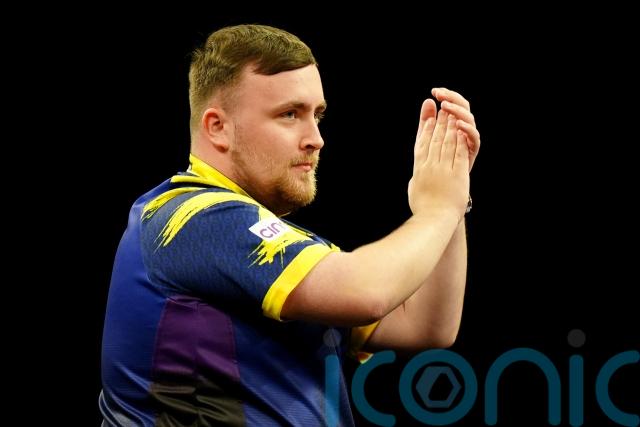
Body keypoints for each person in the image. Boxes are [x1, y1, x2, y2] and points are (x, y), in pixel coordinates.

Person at [99, 24, 480, 427]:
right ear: (218, 127)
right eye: (289, 114)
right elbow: (367, 292)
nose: (316, 138)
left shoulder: (279, 249)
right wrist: (437, 209)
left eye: (317, 116)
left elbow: (426, 328)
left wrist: (454, 201)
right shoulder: (189, 218)